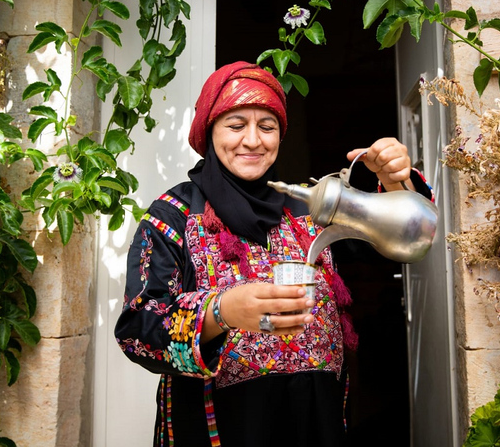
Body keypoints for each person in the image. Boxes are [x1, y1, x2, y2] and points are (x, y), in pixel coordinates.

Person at [114, 61, 434, 447]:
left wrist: (393, 180)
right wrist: (222, 310)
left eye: (267, 127)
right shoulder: (174, 214)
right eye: (235, 126)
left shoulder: (308, 207)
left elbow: (402, 243)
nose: (252, 140)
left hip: (316, 420)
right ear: (208, 131)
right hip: (222, 427)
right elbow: (137, 330)